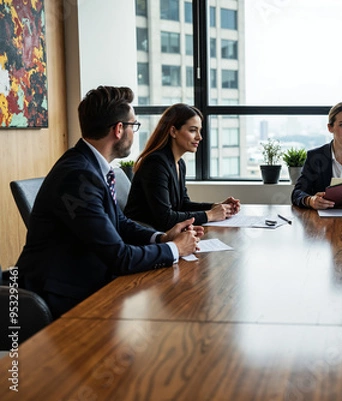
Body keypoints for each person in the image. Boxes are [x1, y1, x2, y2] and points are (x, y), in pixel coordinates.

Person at [16, 86, 203, 318]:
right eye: (134, 126)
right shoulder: (78, 176)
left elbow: (120, 222)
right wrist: (175, 248)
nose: (135, 133)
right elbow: (120, 258)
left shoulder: (91, 166)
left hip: (87, 280)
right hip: (60, 296)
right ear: (118, 129)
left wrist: (162, 238)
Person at [124, 103, 241, 231]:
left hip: (163, 233)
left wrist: (216, 207)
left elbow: (183, 205)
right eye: (192, 130)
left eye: (199, 130)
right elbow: (165, 218)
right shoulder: (155, 163)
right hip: (144, 237)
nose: (199, 137)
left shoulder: (179, 163)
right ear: (173, 131)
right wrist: (210, 215)